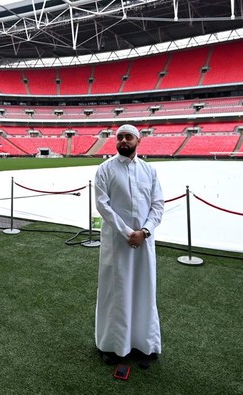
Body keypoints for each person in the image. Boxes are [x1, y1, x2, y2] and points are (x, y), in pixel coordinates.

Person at [94, 124, 165, 368]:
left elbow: (158, 205)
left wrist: (144, 232)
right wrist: (127, 233)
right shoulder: (104, 170)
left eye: (129, 137)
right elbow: (103, 206)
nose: (124, 141)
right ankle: (113, 346)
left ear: (138, 140)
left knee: (144, 290)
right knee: (116, 293)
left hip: (144, 243)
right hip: (117, 243)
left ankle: (144, 344)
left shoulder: (150, 171)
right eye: (120, 137)